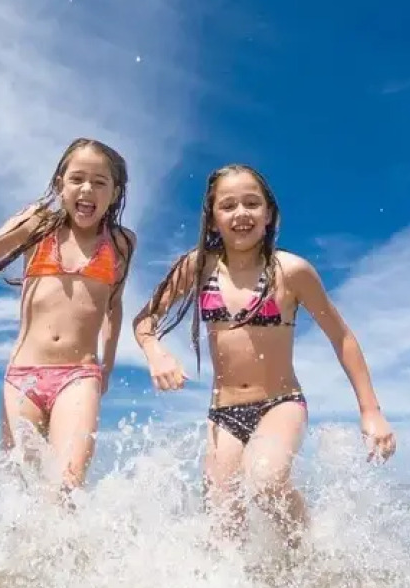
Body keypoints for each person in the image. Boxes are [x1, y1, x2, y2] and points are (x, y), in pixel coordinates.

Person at [132, 163, 395, 543]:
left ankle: (307, 552)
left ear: (268, 214)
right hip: (222, 413)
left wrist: (371, 412)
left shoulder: (292, 271)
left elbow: (342, 338)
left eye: (252, 203)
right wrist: (156, 353)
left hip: (280, 403)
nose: (241, 214)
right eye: (228, 205)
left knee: (266, 481)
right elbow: (145, 320)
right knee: (224, 525)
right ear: (212, 218)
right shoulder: (196, 267)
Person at [0, 138, 136, 490]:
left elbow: (114, 304)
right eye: (77, 178)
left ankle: (71, 545)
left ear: (114, 193)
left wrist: (106, 366)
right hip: (24, 376)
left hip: (79, 375)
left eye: (100, 182)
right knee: (23, 492)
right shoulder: (36, 224)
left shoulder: (121, 242)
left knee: (66, 487)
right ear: (59, 185)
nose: (87, 189)